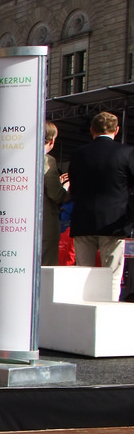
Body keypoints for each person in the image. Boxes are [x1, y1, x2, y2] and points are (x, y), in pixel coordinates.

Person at [67, 111, 134, 299]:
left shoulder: (79, 154)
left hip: (83, 220)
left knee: (83, 274)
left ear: (92, 130)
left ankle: (83, 311)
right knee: (112, 276)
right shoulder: (127, 153)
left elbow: (74, 187)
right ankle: (109, 312)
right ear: (116, 130)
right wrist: (129, 214)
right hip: (115, 222)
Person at [42, 120, 68, 267]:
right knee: (45, 268)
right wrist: (65, 187)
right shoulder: (48, 161)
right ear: (51, 141)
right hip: (45, 225)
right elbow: (55, 194)